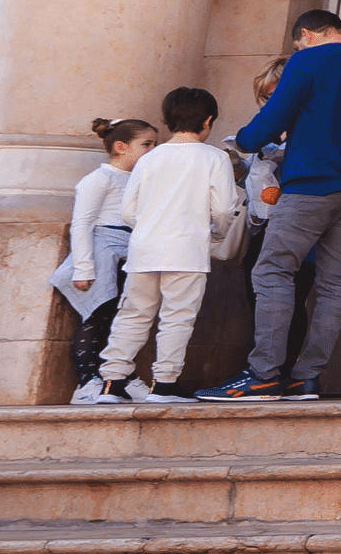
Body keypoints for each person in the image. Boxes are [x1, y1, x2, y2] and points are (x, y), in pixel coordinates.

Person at [222, 8, 341, 402]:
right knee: (334, 285)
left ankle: (263, 376)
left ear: (308, 34)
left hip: (310, 187)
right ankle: (305, 378)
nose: (297, 48)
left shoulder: (307, 60)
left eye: (298, 42)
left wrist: (243, 140)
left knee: (273, 272)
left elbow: (269, 122)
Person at [101, 88, 240, 402]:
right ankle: (163, 384)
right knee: (177, 317)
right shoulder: (215, 158)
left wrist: (151, 229)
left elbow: (127, 211)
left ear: (166, 121)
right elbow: (222, 209)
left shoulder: (150, 157)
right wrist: (215, 235)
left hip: (144, 249)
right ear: (207, 121)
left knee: (133, 315)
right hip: (187, 250)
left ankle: (112, 383)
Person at [54, 118, 151, 400]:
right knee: (96, 316)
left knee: (121, 319)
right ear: (121, 147)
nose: (152, 149)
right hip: (102, 254)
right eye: (146, 144)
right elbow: (81, 224)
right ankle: (87, 382)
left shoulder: (138, 180)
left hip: (128, 253)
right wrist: (83, 268)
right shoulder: (99, 179)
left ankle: (123, 377)